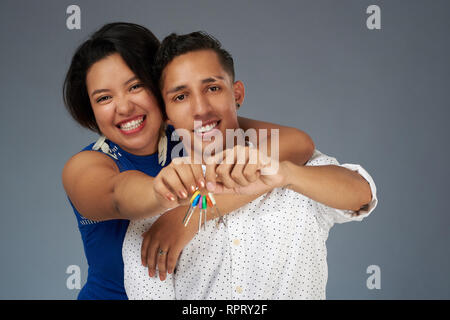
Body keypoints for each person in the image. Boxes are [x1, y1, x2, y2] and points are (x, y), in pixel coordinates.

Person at [62, 23, 315, 299]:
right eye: (104, 98)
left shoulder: (192, 131)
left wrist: (193, 213)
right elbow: (118, 194)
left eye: (135, 86)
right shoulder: (85, 166)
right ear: (91, 109)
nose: (123, 108)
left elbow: (295, 143)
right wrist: (163, 191)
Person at [123, 31, 378, 299]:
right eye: (180, 97)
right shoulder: (153, 217)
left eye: (212, 88)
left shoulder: (294, 172)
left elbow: (362, 195)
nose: (201, 108)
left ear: (237, 94)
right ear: (166, 116)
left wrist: (286, 174)